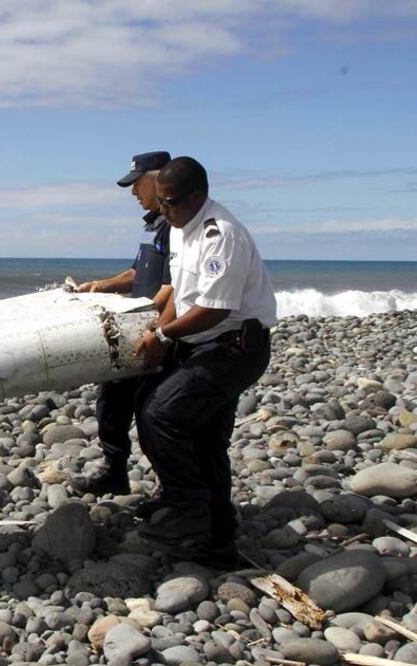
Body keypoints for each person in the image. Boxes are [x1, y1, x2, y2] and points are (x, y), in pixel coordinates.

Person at [132, 157, 276, 564]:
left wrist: (161, 335)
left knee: (163, 415)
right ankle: (217, 538)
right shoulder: (181, 227)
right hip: (202, 344)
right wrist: (160, 333)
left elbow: (214, 308)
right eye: (160, 202)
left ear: (197, 197)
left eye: (171, 202)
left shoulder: (221, 236)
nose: (163, 210)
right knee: (201, 436)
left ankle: (189, 510)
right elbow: (181, 290)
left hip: (234, 349)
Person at [72, 150, 173, 496]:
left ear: (159, 181)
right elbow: (136, 274)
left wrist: (155, 330)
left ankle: (170, 488)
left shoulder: (175, 227)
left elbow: (173, 288)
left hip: (158, 333)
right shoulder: (152, 226)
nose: (133, 193)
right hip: (135, 329)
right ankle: (115, 470)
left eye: (136, 185)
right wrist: (99, 286)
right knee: (111, 401)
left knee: (153, 414)